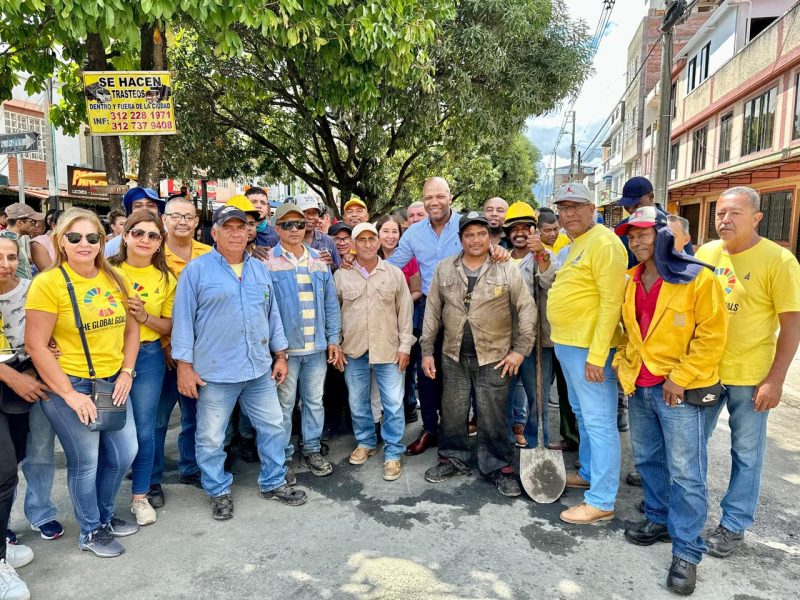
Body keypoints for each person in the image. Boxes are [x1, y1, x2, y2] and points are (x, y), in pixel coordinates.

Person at [614, 207, 728, 596]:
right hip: (640, 386)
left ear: (664, 235)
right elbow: (630, 332)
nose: (636, 242)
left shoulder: (697, 277)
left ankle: (687, 551)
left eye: (644, 234)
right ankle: (659, 518)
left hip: (680, 390)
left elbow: (712, 336)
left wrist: (679, 378)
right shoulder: (631, 279)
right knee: (648, 459)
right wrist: (624, 364)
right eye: (632, 236)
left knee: (685, 472)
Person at [171, 206, 306, 520]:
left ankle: (273, 481)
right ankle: (218, 490)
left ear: (249, 232)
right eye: (227, 227)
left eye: (241, 227)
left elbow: (272, 315)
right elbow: (183, 321)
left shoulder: (259, 269)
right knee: (211, 437)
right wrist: (184, 366)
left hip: (258, 368)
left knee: (273, 426)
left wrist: (280, 355)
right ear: (214, 233)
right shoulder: (196, 271)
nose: (235, 233)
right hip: (215, 373)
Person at [25, 208, 140, 558]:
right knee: (86, 462)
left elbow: (132, 329)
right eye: (74, 237)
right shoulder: (48, 283)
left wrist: (127, 372)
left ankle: (103, 515)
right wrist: (70, 395)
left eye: (92, 237)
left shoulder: (116, 277)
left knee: (124, 453)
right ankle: (90, 530)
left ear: (102, 241)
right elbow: (36, 345)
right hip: (71, 383)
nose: (84, 244)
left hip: (112, 381)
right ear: (61, 241)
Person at [695, 187, 800, 558]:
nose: (725, 220)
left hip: (751, 376)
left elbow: (792, 326)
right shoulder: (706, 254)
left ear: (756, 217)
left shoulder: (779, 260)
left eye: (735, 213)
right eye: (720, 213)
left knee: (746, 453)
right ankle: (687, 512)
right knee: (690, 446)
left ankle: (733, 525)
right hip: (705, 372)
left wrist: (775, 380)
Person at [386, 177, 510, 456]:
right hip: (428, 308)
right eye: (428, 197)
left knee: (470, 368)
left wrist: (499, 250)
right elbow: (392, 265)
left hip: (467, 309)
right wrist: (360, 262)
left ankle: (473, 427)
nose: (434, 202)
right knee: (427, 372)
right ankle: (431, 428)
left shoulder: (465, 225)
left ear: (450, 197)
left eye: (439, 196)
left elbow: (486, 248)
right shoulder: (414, 233)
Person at [421, 211, 535, 497]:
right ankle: (453, 458)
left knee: (493, 413)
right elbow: (432, 311)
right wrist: (427, 351)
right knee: (453, 410)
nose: (475, 240)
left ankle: (497, 466)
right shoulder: (445, 268)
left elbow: (526, 308)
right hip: (453, 355)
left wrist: (520, 350)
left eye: (481, 234)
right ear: (460, 239)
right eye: (469, 234)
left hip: (495, 355)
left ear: (491, 237)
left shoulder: (506, 267)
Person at [547, 183, 627, 525]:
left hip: (588, 350)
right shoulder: (578, 243)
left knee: (600, 422)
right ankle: (590, 472)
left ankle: (602, 500)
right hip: (569, 344)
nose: (569, 214)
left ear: (592, 208)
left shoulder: (605, 243)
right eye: (563, 209)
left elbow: (612, 302)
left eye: (576, 207)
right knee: (583, 414)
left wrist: (597, 355)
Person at [262, 203, 342, 479]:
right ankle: (283, 457)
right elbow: (265, 309)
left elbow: (330, 303)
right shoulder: (266, 262)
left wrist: (333, 339)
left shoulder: (318, 260)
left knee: (314, 402)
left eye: (298, 223)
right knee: (283, 405)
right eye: (287, 224)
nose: (294, 229)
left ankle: (311, 449)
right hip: (285, 351)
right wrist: (276, 349)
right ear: (277, 228)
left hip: (316, 347)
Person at [109, 212, 176, 526]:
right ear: (125, 235)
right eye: (138, 233)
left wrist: (145, 317)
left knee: (145, 429)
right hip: (107, 356)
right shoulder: (105, 271)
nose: (145, 240)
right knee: (107, 428)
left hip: (148, 356)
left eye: (153, 235)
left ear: (161, 242)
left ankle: (140, 495)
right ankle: (102, 500)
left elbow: (170, 325)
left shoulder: (166, 278)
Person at [334, 223, 415, 480]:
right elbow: (334, 313)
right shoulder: (341, 275)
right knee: (358, 402)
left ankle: (393, 451)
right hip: (354, 350)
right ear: (353, 245)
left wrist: (405, 347)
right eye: (362, 239)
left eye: (372, 239)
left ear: (379, 242)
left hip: (389, 350)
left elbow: (405, 313)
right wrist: (336, 344)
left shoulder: (393, 274)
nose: (367, 244)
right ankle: (366, 442)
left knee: (393, 404)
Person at [149, 197, 211, 507]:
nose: (182, 222)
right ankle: (150, 479)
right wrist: (167, 345)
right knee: (157, 420)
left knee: (195, 416)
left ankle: (191, 467)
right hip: (161, 352)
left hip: (201, 352)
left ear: (197, 221)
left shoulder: (209, 254)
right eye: (175, 216)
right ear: (164, 219)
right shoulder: (152, 254)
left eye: (188, 216)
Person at [0, 234, 49, 600]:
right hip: (10, 380)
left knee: (13, 461)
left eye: (11, 257)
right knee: (3, 474)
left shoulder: (32, 291)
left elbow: (45, 338)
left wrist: (31, 371)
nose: (5, 264)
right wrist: (12, 377)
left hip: (22, 386)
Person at [503, 202, 556, 448]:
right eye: (514, 229)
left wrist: (541, 254)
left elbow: (549, 283)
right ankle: (503, 446)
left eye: (525, 228)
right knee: (502, 397)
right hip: (504, 340)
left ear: (534, 230)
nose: (520, 233)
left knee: (538, 398)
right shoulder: (500, 258)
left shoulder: (544, 255)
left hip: (537, 340)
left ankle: (537, 445)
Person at [377, 215, 423, 425]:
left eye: (394, 231)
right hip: (377, 322)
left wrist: (399, 304)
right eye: (385, 231)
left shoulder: (409, 258)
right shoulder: (370, 257)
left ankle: (408, 406)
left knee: (405, 364)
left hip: (404, 319)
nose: (390, 236)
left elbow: (417, 290)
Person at [105, 187, 165, 257]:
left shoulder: (171, 239)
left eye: (150, 205)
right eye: (138, 206)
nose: (144, 209)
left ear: (158, 211)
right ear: (130, 213)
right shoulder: (112, 247)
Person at [296, 194, 340, 268]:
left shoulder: (328, 241)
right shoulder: (285, 239)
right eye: (305, 212)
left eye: (314, 213)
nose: (310, 217)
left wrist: (331, 265)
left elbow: (338, 269)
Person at [3, 204, 44, 280]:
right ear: (20, 223)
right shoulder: (6, 241)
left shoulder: (13, 238)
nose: (36, 226)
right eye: (33, 222)